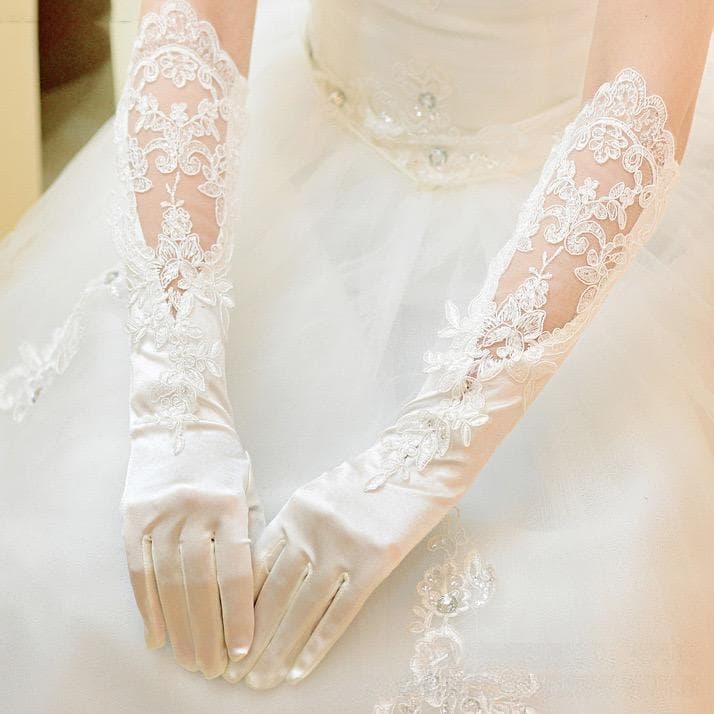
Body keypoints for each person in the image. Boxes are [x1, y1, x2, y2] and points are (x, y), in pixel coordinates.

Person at [2, 0, 713, 711]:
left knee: (558, 614)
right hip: (299, 158)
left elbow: (632, 115)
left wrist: (426, 458)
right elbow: (196, 18)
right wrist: (175, 402)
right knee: (72, 557)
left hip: (561, 209)